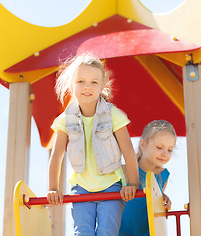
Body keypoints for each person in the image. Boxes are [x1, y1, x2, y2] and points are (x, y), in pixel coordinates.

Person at [47, 53, 139, 236]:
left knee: (107, 231)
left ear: (103, 85)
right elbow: (57, 155)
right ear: (72, 84)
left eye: (94, 82)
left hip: (111, 185)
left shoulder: (113, 115)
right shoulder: (65, 120)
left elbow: (128, 151)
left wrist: (133, 184)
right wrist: (53, 188)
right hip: (81, 188)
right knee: (83, 232)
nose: (87, 87)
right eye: (81, 81)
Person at [119, 120, 176, 236]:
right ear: (142, 144)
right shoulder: (125, 170)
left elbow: (154, 200)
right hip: (122, 232)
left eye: (170, 150)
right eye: (159, 147)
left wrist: (164, 199)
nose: (165, 153)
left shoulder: (163, 175)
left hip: (147, 232)